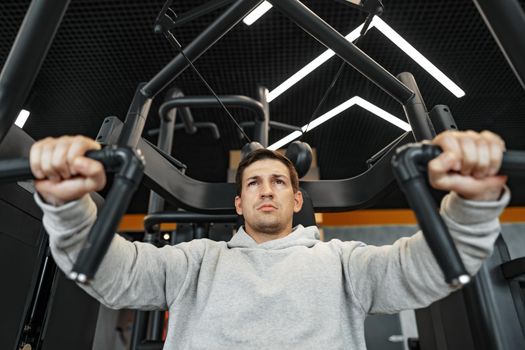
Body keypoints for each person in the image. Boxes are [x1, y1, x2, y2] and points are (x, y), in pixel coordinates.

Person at [30, 130, 509, 349]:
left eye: (279, 182)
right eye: (253, 183)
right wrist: (69, 205)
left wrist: (474, 204)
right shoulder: (197, 261)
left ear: (297, 199)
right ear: (239, 203)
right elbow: (112, 274)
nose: (265, 190)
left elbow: (425, 271)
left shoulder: (341, 262)